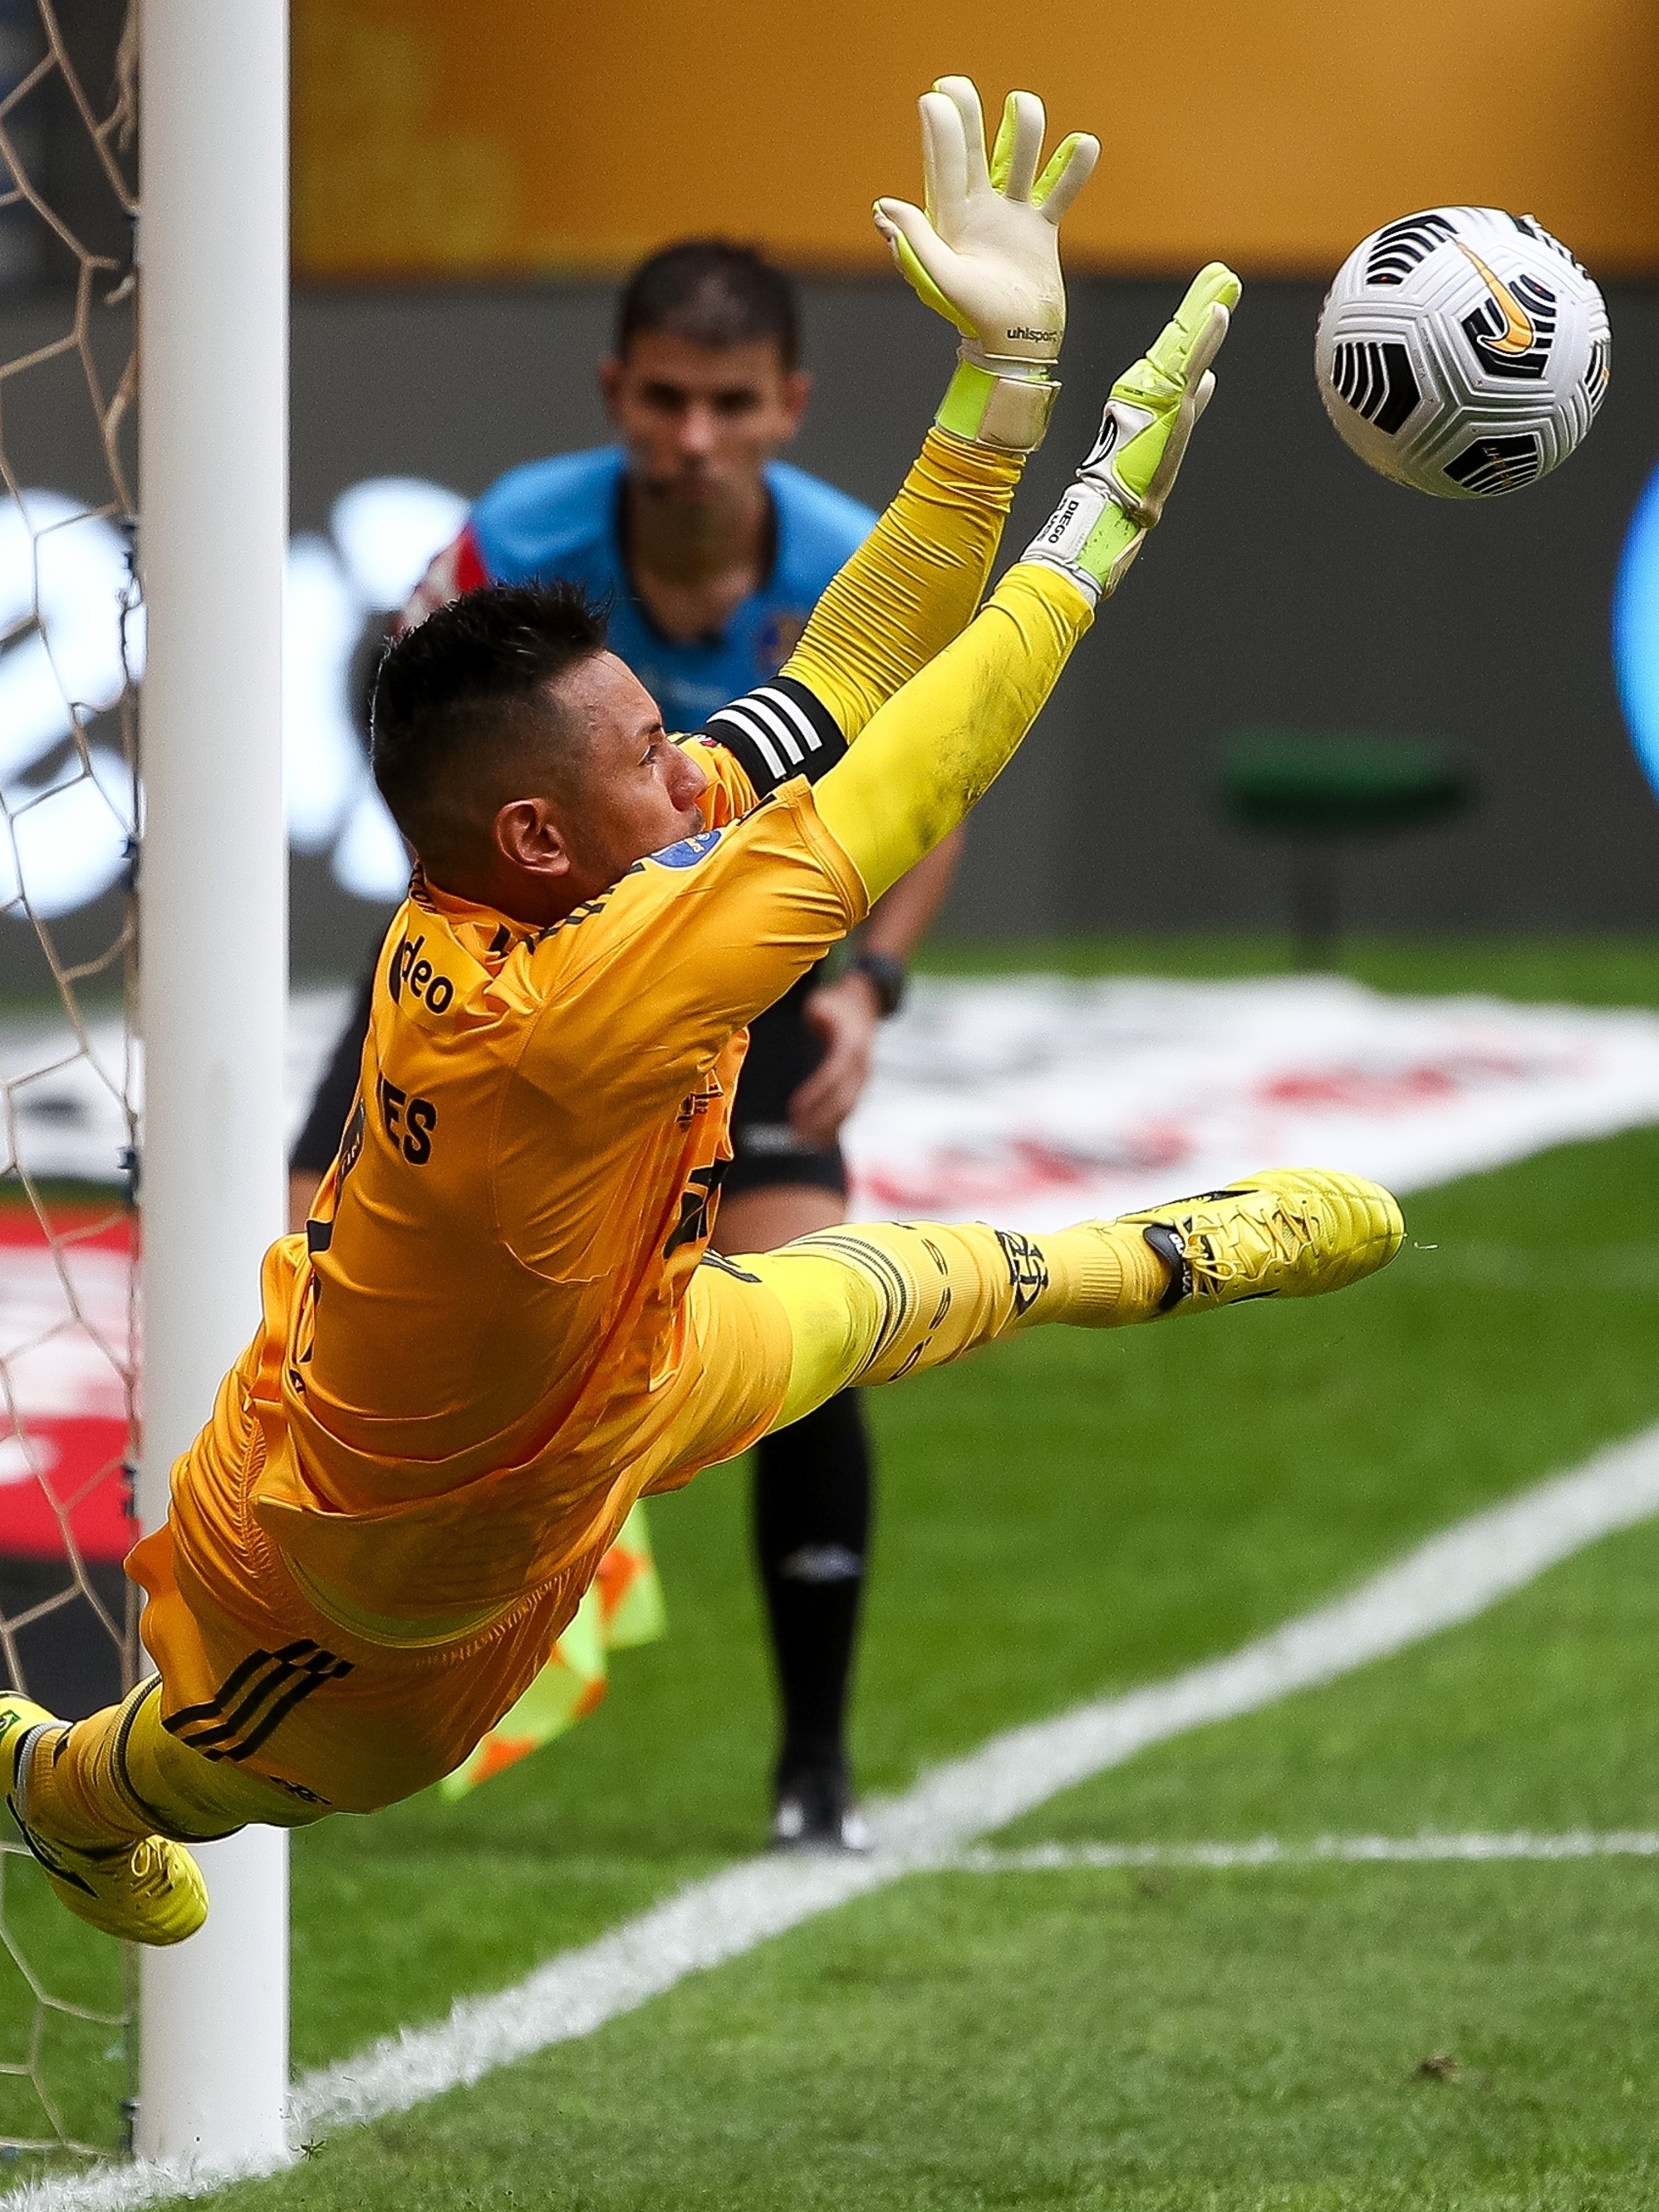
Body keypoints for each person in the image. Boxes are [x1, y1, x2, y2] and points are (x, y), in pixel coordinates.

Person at [0, 80, 1402, 1948]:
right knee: (212, 1771)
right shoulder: (580, 991)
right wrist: (1098, 521)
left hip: (622, 1367)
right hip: (361, 1587)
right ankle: (55, 1787)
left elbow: (834, 679)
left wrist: (1007, 379)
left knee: (936, 1286)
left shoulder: (586, 868)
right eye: (656, 748)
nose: (697, 763)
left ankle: (1190, 1252)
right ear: (533, 825)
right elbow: (903, 778)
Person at [290, 238, 965, 1850]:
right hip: (510, 973)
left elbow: (924, 789)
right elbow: (409, 724)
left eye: (731, 403)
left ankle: (814, 1760)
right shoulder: (511, 535)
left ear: (790, 406)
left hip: (743, 975)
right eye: (664, 397)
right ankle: (322, 1669)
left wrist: (867, 979)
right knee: (308, 1265)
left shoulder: (850, 568)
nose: (694, 436)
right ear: (615, 392)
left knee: (810, 1329)